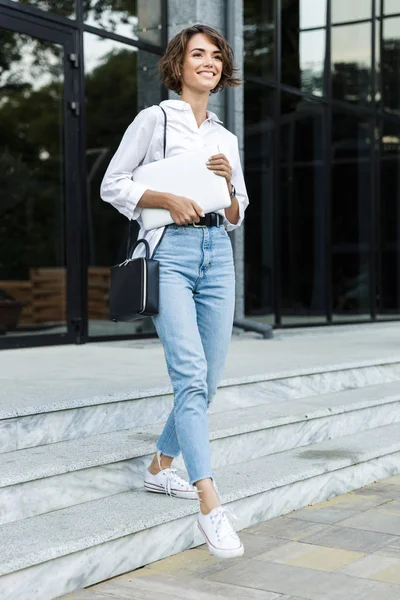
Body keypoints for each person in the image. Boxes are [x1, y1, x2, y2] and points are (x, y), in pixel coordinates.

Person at [100, 24, 249, 559]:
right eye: (197, 54)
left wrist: (228, 184)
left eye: (215, 55)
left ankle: (161, 466)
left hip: (217, 257)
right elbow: (112, 184)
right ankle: (211, 506)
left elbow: (235, 215)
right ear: (179, 65)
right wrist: (166, 196)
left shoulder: (226, 138)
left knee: (207, 384)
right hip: (171, 256)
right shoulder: (155, 120)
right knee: (190, 376)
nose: (208, 62)